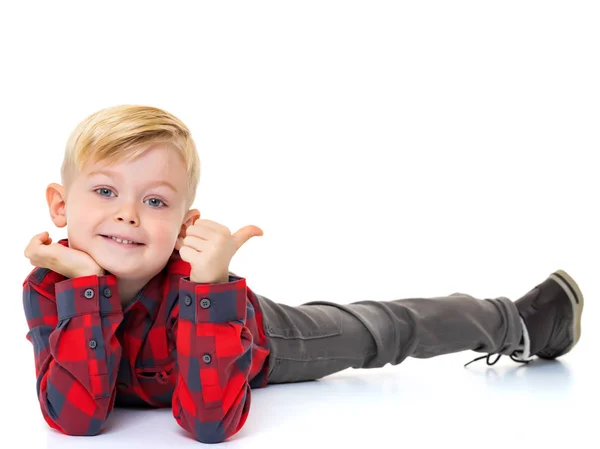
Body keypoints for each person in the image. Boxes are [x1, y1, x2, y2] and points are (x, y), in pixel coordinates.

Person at [22, 104, 585, 444]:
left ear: (185, 223)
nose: (126, 214)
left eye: (155, 201)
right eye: (104, 191)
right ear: (60, 206)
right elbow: (76, 420)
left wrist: (209, 291)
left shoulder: (203, 283)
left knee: (377, 331)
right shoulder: (48, 288)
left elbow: (210, 424)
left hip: (250, 337)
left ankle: (520, 322)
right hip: (172, 324)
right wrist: (84, 288)